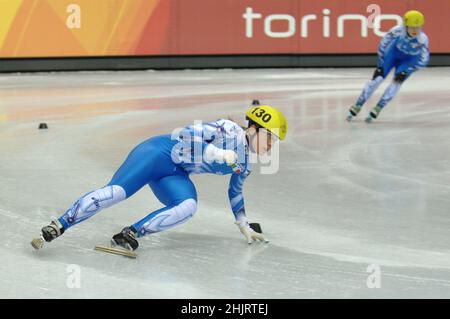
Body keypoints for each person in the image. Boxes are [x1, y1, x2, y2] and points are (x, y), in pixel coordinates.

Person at [31, 105, 288, 251]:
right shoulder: (228, 129)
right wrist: (218, 153)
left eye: (275, 142)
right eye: (270, 137)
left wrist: (243, 224)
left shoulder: (244, 163)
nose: (271, 145)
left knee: (188, 207)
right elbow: (186, 134)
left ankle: (130, 234)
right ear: (254, 128)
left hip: (175, 173)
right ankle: (60, 224)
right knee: (117, 193)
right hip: (156, 153)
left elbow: (235, 192)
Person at [347, 10, 430, 122]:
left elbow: (424, 60)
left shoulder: (423, 39)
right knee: (377, 79)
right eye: (412, 27)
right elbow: (383, 45)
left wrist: (408, 70)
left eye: (418, 27)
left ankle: (379, 106)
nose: (415, 30)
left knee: (397, 81)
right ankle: (358, 104)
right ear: (405, 25)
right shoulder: (397, 31)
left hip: (408, 61)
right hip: (393, 54)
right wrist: (381, 64)